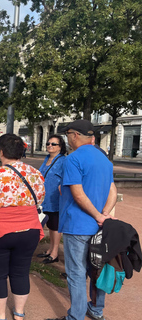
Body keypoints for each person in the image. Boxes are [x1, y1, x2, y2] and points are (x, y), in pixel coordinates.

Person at [46, 120, 117, 320]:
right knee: (97, 270)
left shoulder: (73, 159)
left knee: (76, 273)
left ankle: (75, 316)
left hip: (78, 224)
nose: (67, 139)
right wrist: (103, 214)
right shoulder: (105, 159)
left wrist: (96, 215)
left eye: (68, 135)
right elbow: (113, 190)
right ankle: (96, 310)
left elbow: (78, 194)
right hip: (99, 227)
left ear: (75, 135)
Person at [0, 133, 45, 320]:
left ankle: (0, 315)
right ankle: (19, 314)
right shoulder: (36, 174)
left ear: (1, 151)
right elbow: (41, 198)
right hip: (29, 229)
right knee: (21, 272)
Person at [36, 134, 66, 264]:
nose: (50, 146)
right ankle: (49, 249)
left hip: (55, 199)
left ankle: (55, 253)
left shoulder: (63, 161)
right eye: (48, 143)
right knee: (49, 225)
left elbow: (66, 178)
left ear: (60, 147)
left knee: (55, 227)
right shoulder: (47, 158)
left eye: (53, 144)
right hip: (44, 199)